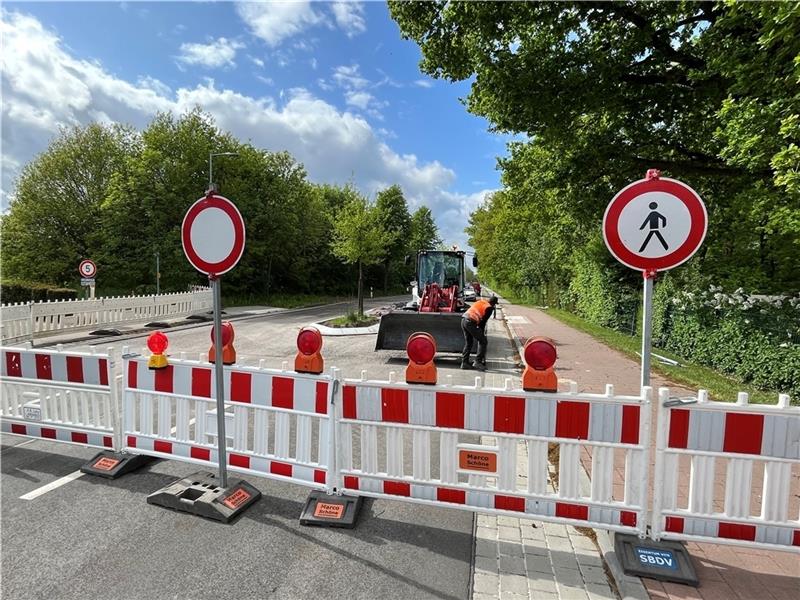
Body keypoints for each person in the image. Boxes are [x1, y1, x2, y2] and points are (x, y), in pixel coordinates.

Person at [461, 295, 498, 371]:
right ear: (494, 303)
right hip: (471, 322)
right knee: (483, 341)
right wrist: (481, 333)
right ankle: (478, 362)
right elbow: (483, 322)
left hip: (464, 320)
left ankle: (464, 363)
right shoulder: (489, 308)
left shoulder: (481, 301)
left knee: (469, 342)